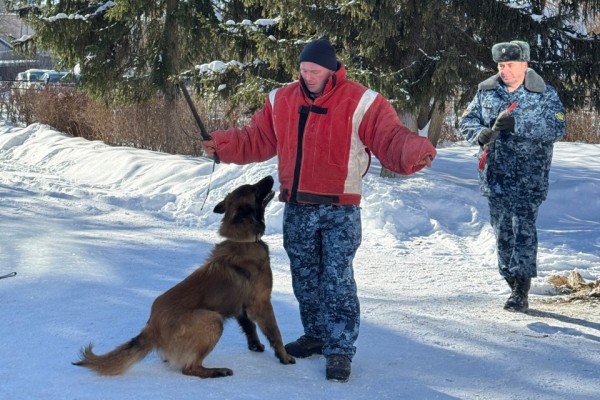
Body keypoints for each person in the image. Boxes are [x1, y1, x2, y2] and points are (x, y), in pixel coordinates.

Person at [202, 38, 436, 382]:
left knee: (337, 279)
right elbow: (256, 138)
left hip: (340, 209)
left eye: (314, 71)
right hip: (298, 207)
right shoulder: (281, 100)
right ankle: (315, 334)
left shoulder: (361, 101)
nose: (307, 76)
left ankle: (339, 348)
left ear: (331, 70)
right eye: (303, 70)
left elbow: (389, 136)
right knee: (305, 277)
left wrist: (414, 150)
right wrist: (222, 144)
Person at [459, 40, 566, 313]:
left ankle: (521, 289)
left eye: (510, 65)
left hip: (529, 178)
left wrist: (519, 124)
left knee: (523, 231)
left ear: (524, 65)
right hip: (495, 176)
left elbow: (556, 127)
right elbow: (466, 121)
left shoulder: (544, 94)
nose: (504, 70)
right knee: (502, 232)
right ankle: (510, 278)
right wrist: (479, 134)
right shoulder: (487, 92)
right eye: (501, 65)